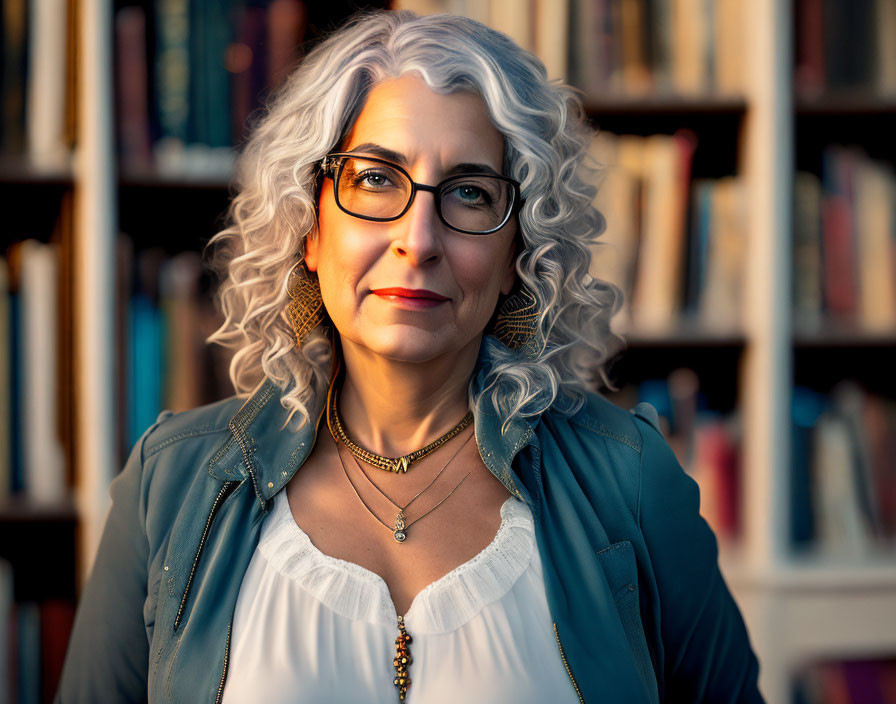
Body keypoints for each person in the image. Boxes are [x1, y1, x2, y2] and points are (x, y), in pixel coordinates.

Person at [57, 10, 764, 704]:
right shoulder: (169, 485)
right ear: (309, 224)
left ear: (520, 249)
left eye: (468, 192)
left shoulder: (632, 481)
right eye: (374, 179)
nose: (418, 238)